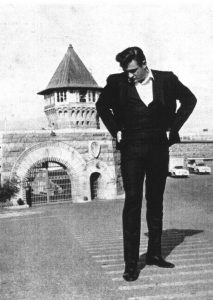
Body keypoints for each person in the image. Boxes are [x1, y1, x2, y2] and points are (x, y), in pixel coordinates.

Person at [96, 46, 197, 281]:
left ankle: (154, 254)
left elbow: (190, 100)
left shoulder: (167, 80)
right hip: (132, 149)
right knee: (132, 202)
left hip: (158, 149)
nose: (129, 75)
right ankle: (131, 264)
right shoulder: (117, 82)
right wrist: (116, 130)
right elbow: (101, 106)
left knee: (155, 201)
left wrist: (174, 126)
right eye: (126, 71)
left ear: (144, 64)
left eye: (132, 70)